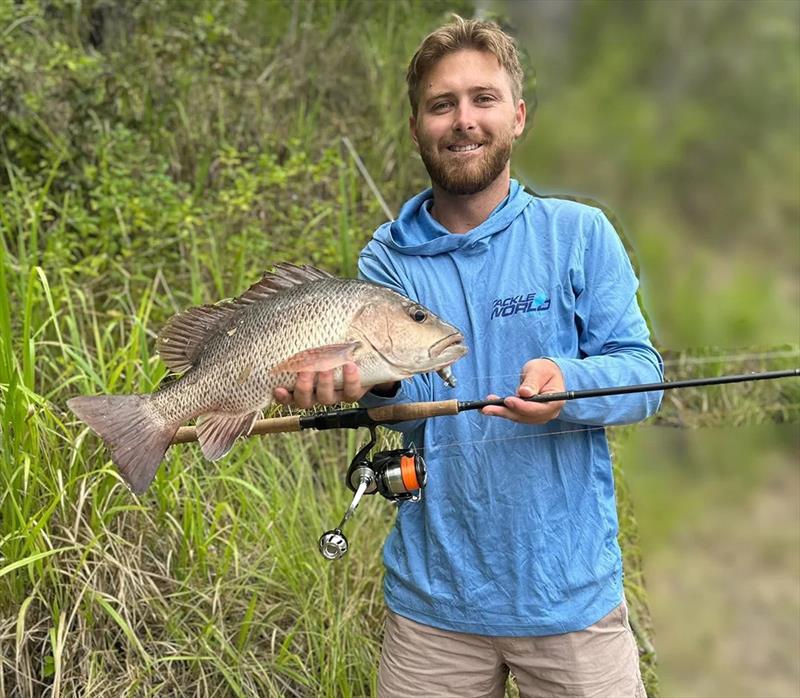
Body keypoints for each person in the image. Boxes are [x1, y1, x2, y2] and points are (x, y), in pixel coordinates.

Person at [274, 15, 663, 698]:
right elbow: (397, 417)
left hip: (570, 603)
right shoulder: (385, 260)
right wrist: (365, 390)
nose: (463, 120)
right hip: (433, 612)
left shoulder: (578, 234)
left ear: (516, 116)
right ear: (418, 125)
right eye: (441, 104)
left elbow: (643, 379)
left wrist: (568, 385)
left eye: (483, 98)